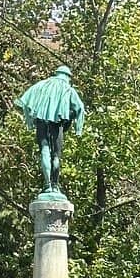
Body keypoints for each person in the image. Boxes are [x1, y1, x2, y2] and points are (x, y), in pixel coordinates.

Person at [14, 64, 85, 193]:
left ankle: (47, 185)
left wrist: (29, 122)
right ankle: (55, 185)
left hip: (41, 122)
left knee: (44, 151)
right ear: (67, 77)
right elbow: (80, 107)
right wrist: (78, 128)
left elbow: (24, 101)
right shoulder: (67, 89)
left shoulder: (42, 85)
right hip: (57, 125)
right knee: (56, 155)